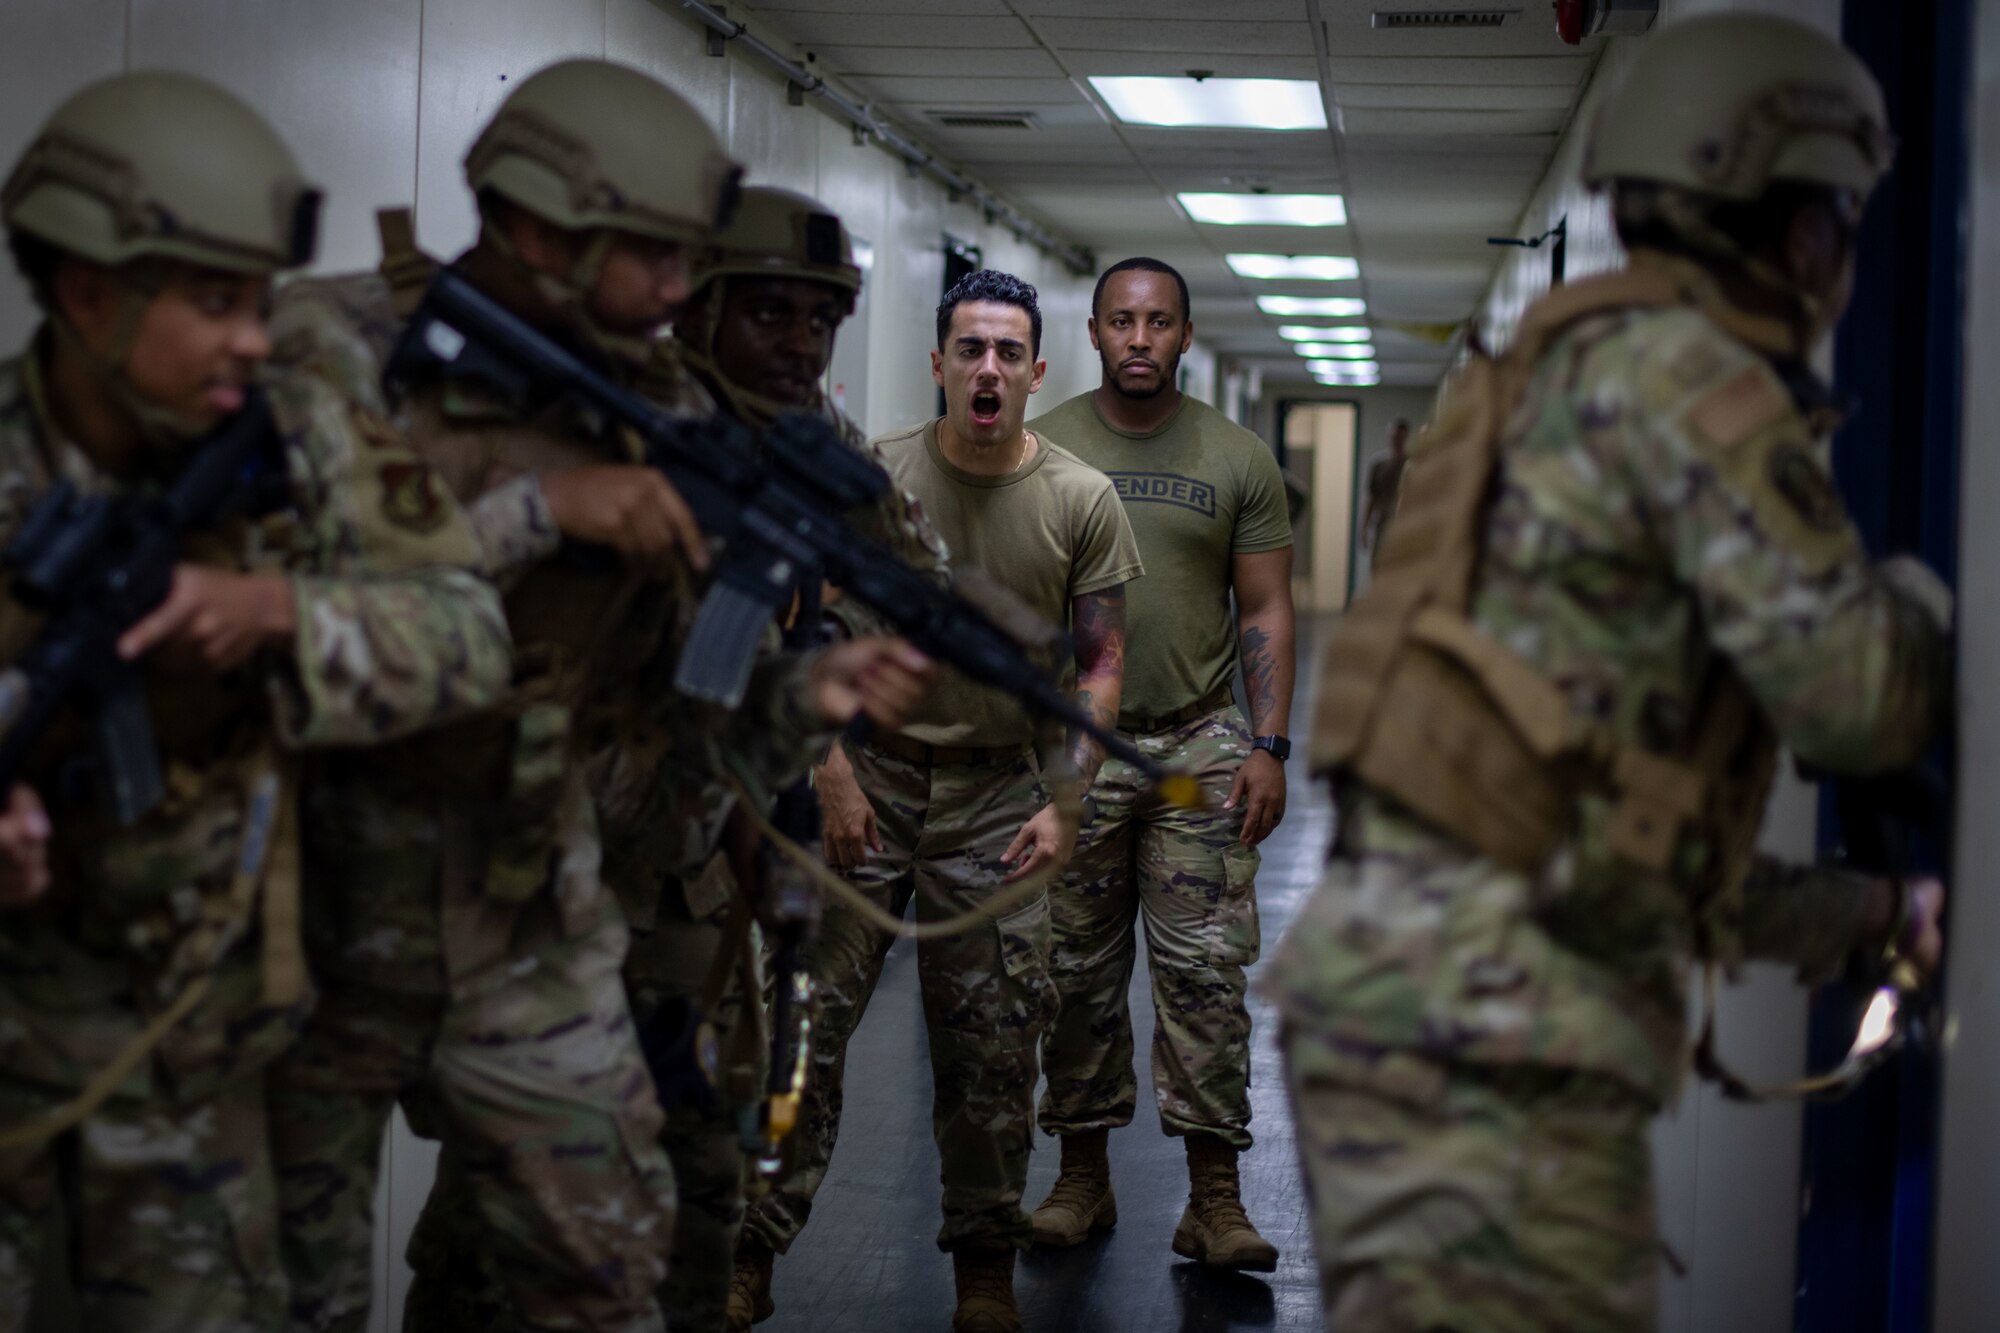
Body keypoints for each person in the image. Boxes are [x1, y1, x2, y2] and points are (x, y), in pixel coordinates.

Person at [1267, 15, 1953, 1332]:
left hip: (1412, 1018)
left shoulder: (1540, 383)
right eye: (1842, 217)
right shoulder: (1693, 383)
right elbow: (1856, 697)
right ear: (1803, 227)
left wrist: (1862, 917)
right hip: (1490, 1054)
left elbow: (1604, 822)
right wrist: (1916, 604)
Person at [262, 61, 930, 1333]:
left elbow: (678, 691)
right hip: (316, 894)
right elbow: (262, 611)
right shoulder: (334, 345)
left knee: (608, 1259)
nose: (679, 293)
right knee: (293, 1285)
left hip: (533, 898)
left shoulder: (662, 402)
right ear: (536, 227)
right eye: (654, 257)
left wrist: (803, 700)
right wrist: (536, 513)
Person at [0, 72, 513, 1331]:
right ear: (86, 295)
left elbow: (467, 631)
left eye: (258, 297)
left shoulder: (299, 434)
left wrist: (280, 615)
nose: (253, 334)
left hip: (198, 1046)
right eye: (214, 301)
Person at [731, 269, 1142, 1333]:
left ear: (1037, 369)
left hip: (1001, 798)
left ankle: (982, 1270)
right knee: (801, 1033)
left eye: (1008, 351)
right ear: (938, 362)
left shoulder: (1078, 497)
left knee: (992, 1053)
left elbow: (1099, 668)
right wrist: (824, 766)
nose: (989, 369)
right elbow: (798, 620)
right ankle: (747, 1255)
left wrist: (1065, 800)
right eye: (969, 348)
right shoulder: (872, 477)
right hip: (863, 782)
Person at [600, 184, 951, 1333]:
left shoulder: (815, 444)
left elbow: (902, 573)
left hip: (706, 857)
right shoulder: (618, 423)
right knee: (562, 1206)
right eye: (768, 315)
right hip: (571, 874)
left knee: (706, 1178)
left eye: (820, 321)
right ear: (695, 310)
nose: (799, 344)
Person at [1024, 257, 1293, 1271]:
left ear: (1184, 336)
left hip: (1194, 748)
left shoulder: (1235, 457)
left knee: (1204, 976)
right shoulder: (1039, 446)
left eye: (1160, 323)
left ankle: (1212, 1199)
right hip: (1074, 753)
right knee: (1074, 974)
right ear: (1091, 332)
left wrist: (1266, 745)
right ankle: (1079, 1181)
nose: (1139, 339)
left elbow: (1264, 607)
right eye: (1121, 322)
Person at [1358, 417, 1410, 570]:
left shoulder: (1412, 463)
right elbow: (1372, 497)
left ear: (1405, 437)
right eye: (1393, 436)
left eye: (1399, 437)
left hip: (1404, 522)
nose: (1396, 440)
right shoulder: (1379, 464)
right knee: (1378, 565)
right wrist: (1364, 527)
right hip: (1382, 520)